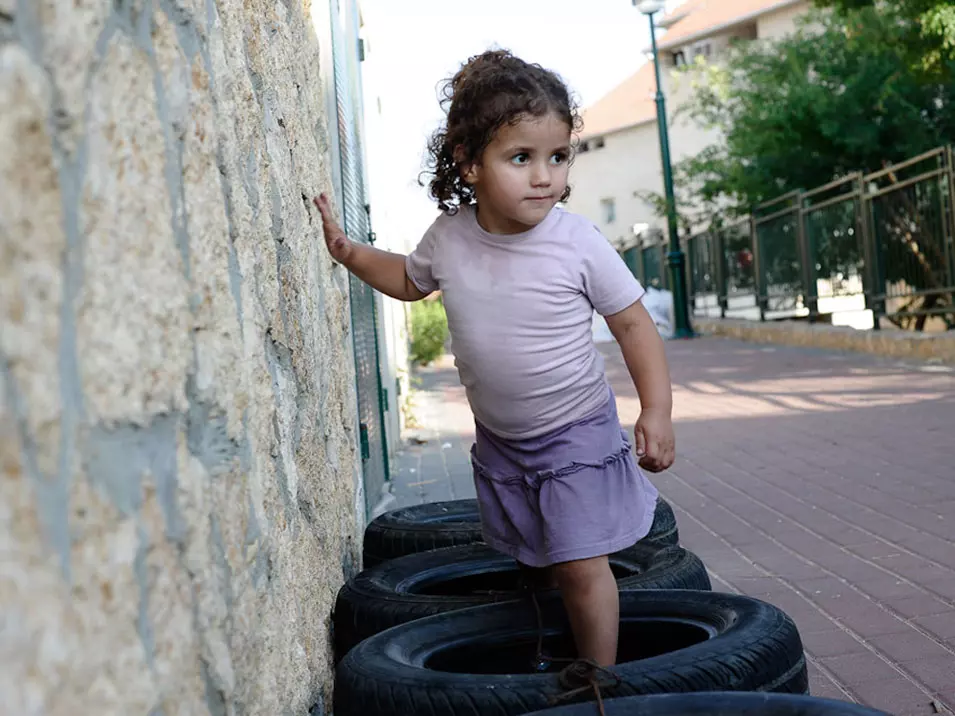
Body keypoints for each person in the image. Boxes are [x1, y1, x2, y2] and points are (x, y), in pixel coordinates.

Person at [314, 49, 675, 669]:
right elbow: (407, 280)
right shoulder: (450, 237)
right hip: (503, 437)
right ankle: (540, 654)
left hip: (575, 430)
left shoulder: (576, 241)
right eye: (521, 158)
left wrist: (657, 409)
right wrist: (350, 253)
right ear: (469, 164)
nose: (545, 176)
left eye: (558, 157)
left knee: (580, 560)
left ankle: (599, 678)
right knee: (532, 555)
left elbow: (633, 325)